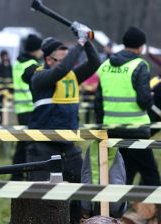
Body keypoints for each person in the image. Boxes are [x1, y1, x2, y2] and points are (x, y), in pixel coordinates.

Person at [27, 22, 101, 224]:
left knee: (78, 195)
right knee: (42, 200)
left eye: (65, 56)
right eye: (59, 58)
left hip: (69, 146)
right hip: (43, 146)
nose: (64, 62)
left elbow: (95, 63)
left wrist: (87, 42)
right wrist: (80, 42)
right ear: (47, 59)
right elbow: (61, 69)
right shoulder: (40, 77)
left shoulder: (72, 76)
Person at [95, 26, 161, 186]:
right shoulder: (140, 65)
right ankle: (156, 209)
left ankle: (118, 209)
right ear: (141, 46)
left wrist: (101, 124)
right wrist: (150, 98)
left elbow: (98, 101)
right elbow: (144, 101)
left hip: (111, 127)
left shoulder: (104, 65)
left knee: (124, 170)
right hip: (135, 128)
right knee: (150, 174)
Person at [10, 34, 42, 181]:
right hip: (32, 108)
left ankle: (16, 173)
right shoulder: (33, 65)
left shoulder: (18, 62)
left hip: (21, 108)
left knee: (22, 142)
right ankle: (26, 174)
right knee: (30, 144)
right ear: (35, 50)